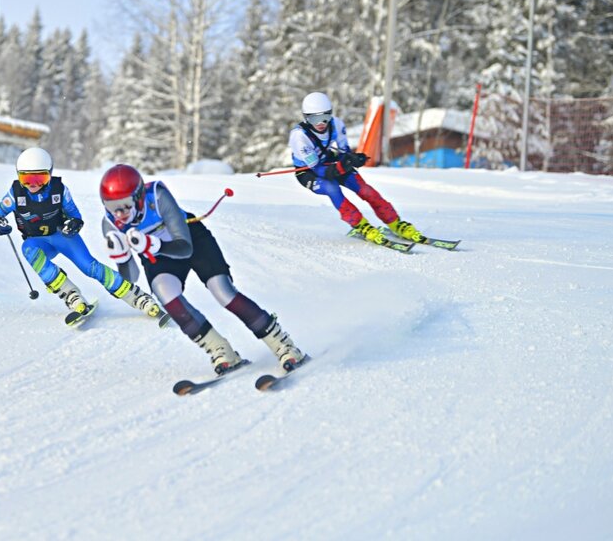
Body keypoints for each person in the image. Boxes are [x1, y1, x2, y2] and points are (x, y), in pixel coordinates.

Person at [99, 164, 306, 375]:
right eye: (111, 205)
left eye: (125, 205)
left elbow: (184, 247)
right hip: (158, 256)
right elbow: (130, 278)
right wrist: (122, 258)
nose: (119, 213)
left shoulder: (158, 197)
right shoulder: (110, 225)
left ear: (139, 196)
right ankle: (220, 350)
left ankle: (283, 344)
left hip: (191, 240)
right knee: (167, 295)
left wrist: (152, 244)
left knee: (222, 291)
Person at [0, 147, 166, 325]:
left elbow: (75, 216)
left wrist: (74, 224)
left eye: (40, 178)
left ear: (50, 175)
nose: (33, 185)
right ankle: (71, 295)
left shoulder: (59, 190)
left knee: (90, 267)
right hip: (38, 242)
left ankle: (137, 297)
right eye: (26, 179)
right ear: (18, 176)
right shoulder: (15, 194)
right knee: (28, 249)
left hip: (63, 237)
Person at [289, 91, 425, 245]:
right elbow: (319, 170)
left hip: (328, 161)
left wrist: (352, 158)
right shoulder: (299, 137)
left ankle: (396, 223)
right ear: (306, 118)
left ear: (330, 114)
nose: (320, 123)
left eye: (324, 117)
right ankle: (362, 226)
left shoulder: (336, 125)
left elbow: (344, 153)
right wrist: (341, 166)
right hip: (308, 171)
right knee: (332, 187)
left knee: (365, 189)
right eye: (314, 118)